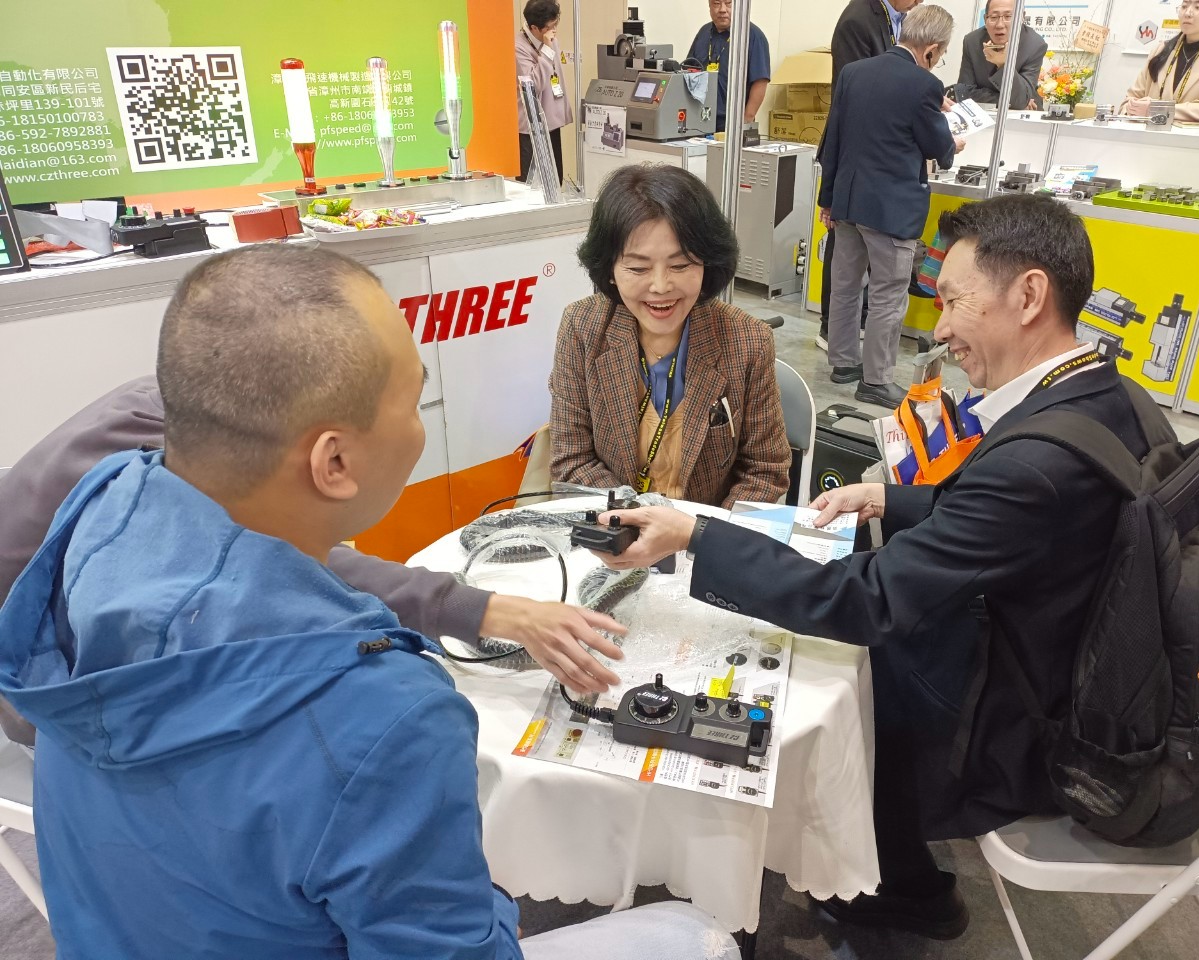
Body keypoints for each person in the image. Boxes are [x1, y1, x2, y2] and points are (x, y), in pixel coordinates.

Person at [0, 244, 738, 960]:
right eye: (414, 399)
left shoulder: (95, 520)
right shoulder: (388, 718)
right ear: (335, 461)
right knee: (692, 935)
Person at [586, 193, 1164, 940]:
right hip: (1083, 666)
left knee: (822, 672)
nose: (941, 328)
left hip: (1033, 726)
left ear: (1029, 296)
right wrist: (892, 497)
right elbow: (1011, 518)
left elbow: (864, 599)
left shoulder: (1035, 461)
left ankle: (891, 884)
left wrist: (698, 534)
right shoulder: (1104, 392)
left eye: (953, 301)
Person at [0, 377, 628, 749]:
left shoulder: (197, 413)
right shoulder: (181, 467)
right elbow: (291, 561)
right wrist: (486, 610)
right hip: (56, 696)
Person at [550, 164, 790, 509]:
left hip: (704, 532)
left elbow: (765, 470)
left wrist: (699, 533)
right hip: (614, 525)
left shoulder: (748, 341)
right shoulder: (583, 328)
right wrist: (635, 521)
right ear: (610, 270)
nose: (661, 286)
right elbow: (572, 460)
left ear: (707, 263)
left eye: (681, 265)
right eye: (638, 268)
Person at [819, 5, 962, 408]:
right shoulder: (924, 85)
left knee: (846, 286)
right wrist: (953, 143)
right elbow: (939, 149)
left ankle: (844, 363)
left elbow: (833, 139)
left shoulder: (853, 72)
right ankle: (876, 380)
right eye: (940, 55)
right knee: (888, 295)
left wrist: (827, 200)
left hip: (848, 201)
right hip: (891, 209)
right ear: (931, 50)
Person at [818, 0, 922, 352]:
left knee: (860, 269)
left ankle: (847, 346)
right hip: (857, 155)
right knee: (851, 270)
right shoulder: (859, 19)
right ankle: (836, 337)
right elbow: (855, 94)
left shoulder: (898, 18)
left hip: (868, 162)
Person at [1119, 0, 1199, 124]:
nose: (1187, 13)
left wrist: (1156, 110)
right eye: (1184, 6)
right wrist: (1131, 109)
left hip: (1189, 136)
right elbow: (1130, 99)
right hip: (1147, 134)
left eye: (1198, 7)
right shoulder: (1161, 49)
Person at [686, 0, 771, 134]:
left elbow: (760, 81)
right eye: (716, 3)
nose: (722, 9)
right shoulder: (704, 33)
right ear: (709, 6)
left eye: (728, 3)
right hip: (699, 120)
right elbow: (688, 71)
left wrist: (745, 121)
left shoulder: (753, 36)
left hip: (732, 123)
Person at [516, 0, 572, 184]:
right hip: (530, 128)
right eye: (550, 27)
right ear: (534, 27)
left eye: (555, 24)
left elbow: (555, 74)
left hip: (551, 122)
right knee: (531, 184)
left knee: (555, 180)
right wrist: (546, 50)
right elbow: (533, 85)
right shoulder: (518, 47)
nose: (554, 30)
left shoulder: (551, 39)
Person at [954, 0, 1048, 110]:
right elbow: (963, 92)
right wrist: (1003, 100)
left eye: (1008, 16)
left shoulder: (1035, 45)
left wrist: (1003, 65)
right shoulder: (972, 41)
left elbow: (1021, 99)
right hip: (983, 112)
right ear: (985, 19)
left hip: (1023, 115)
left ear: (1021, 17)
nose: (1000, 25)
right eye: (994, 17)